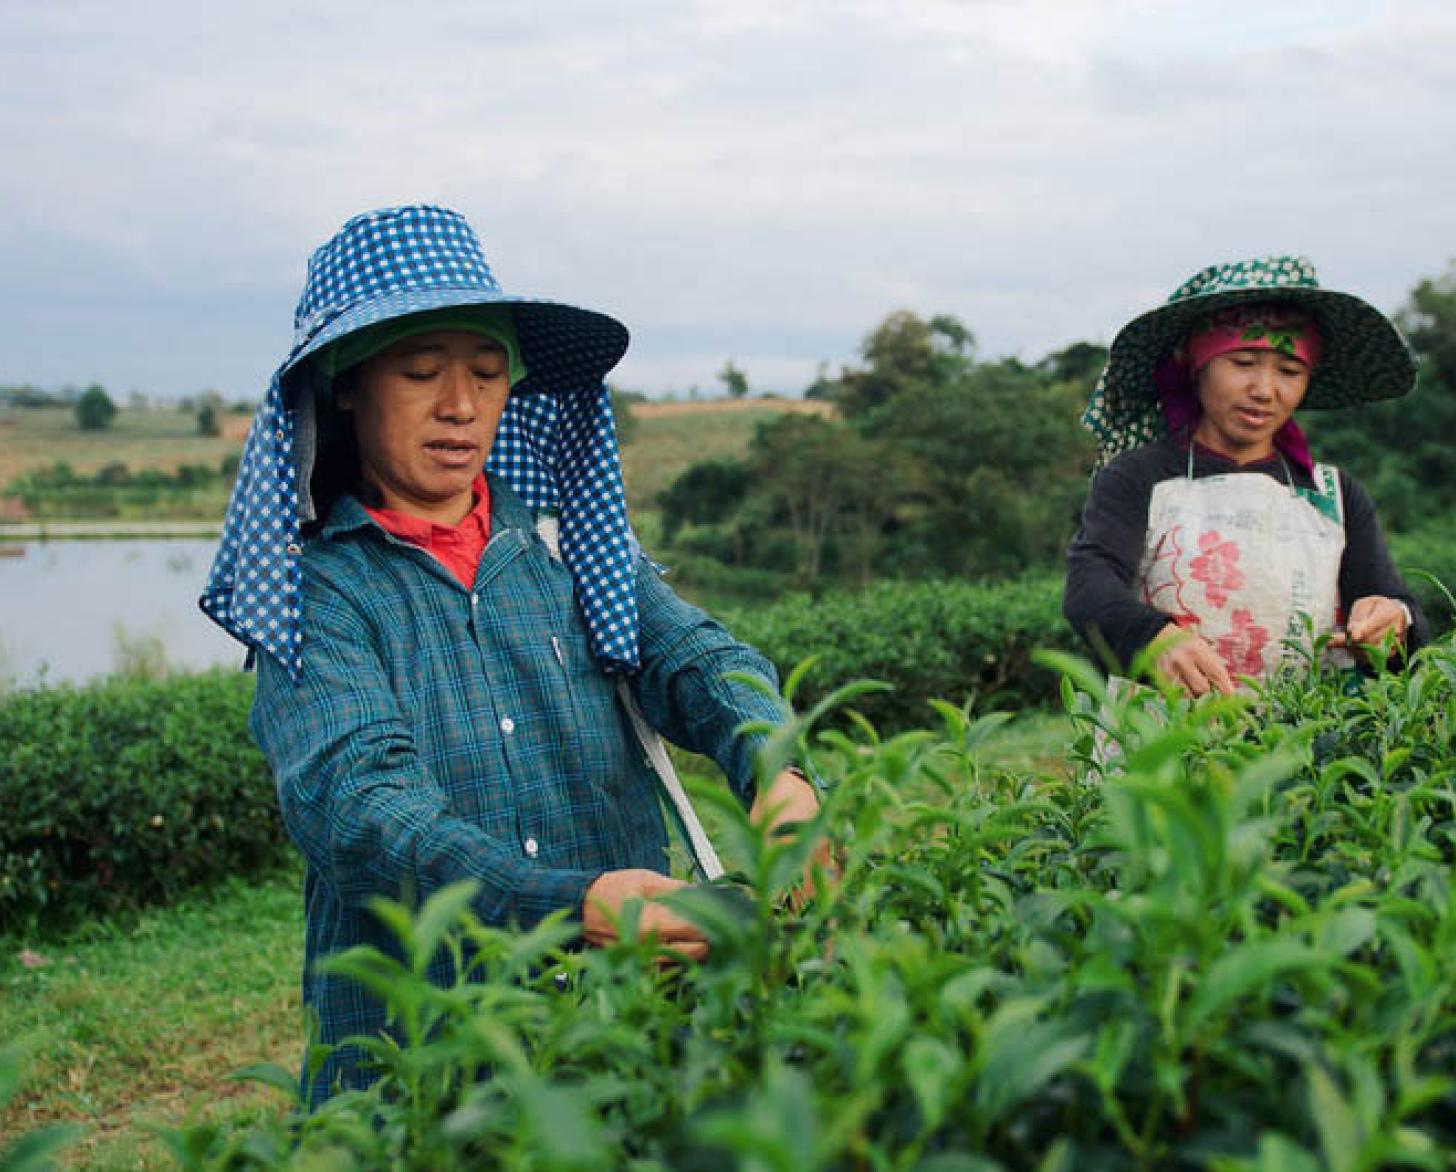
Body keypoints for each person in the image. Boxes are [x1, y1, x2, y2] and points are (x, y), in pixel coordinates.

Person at [200, 204, 822, 1104]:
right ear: (347, 385)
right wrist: (568, 905)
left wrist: (778, 773)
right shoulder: (316, 594)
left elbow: (699, 658)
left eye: (488, 374)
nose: (461, 405)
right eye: (421, 372)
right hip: (421, 1054)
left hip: (622, 1032)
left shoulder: (569, 554)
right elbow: (361, 809)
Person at [1064, 255, 1428, 696]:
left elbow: (1388, 599)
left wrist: (1392, 618)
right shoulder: (1138, 476)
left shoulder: (1334, 495)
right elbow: (1090, 582)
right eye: (1241, 363)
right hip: (1160, 747)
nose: (1264, 390)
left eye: (1289, 372)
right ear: (1197, 365)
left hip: (1305, 748)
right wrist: (1150, 638)